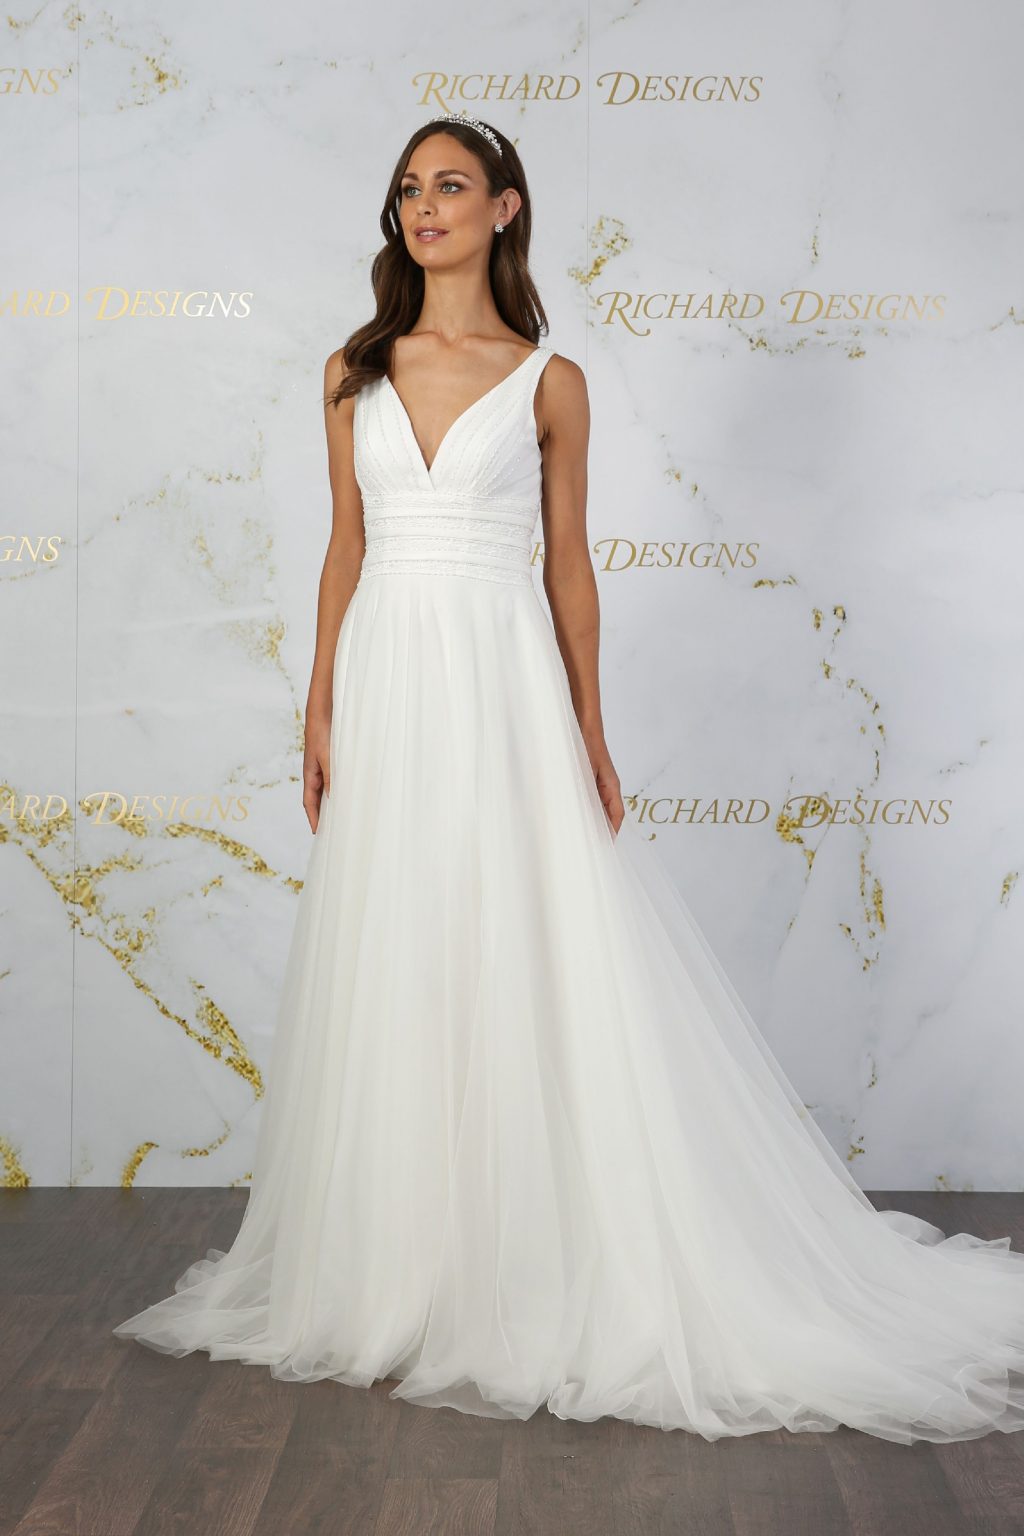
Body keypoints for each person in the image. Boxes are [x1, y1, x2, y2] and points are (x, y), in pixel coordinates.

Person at [113, 111, 1024, 1445]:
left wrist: (591, 727)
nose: (425, 207)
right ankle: (403, 1266)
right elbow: (344, 546)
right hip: (389, 679)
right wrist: (318, 703)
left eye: (452, 185)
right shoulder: (352, 371)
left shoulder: (550, 381)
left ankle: (535, 1263)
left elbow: (569, 568)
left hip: (503, 684)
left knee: (522, 941)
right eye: (409, 189)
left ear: (507, 207)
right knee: (400, 948)